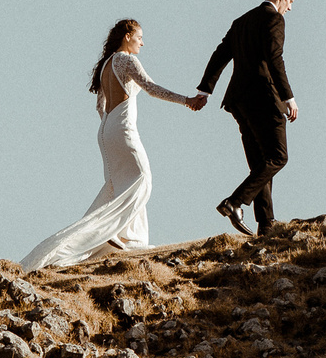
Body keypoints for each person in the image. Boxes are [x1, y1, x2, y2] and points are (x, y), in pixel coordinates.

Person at [22, 20, 207, 269]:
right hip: (122, 128)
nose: (143, 42)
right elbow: (151, 88)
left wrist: (109, 128)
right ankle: (114, 232)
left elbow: (99, 105)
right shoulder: (125, 60)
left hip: (106, 130)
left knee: (118, 186)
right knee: (142, 178)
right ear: (128, 36)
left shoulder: (105, 66)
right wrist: (187, 100)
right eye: (140, 37)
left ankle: (129, 240)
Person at [200, 0, 299, 236]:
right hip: (264, 97)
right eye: (290, 1)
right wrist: (288, 97)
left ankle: (266, 224)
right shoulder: (274, 19)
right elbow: (274, 57)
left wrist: (205, 89)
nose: (290, 7)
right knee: (278, 156)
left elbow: (220, 53)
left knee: (260, 162)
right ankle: (234, 202)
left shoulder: (241, 21)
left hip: (238, 100)